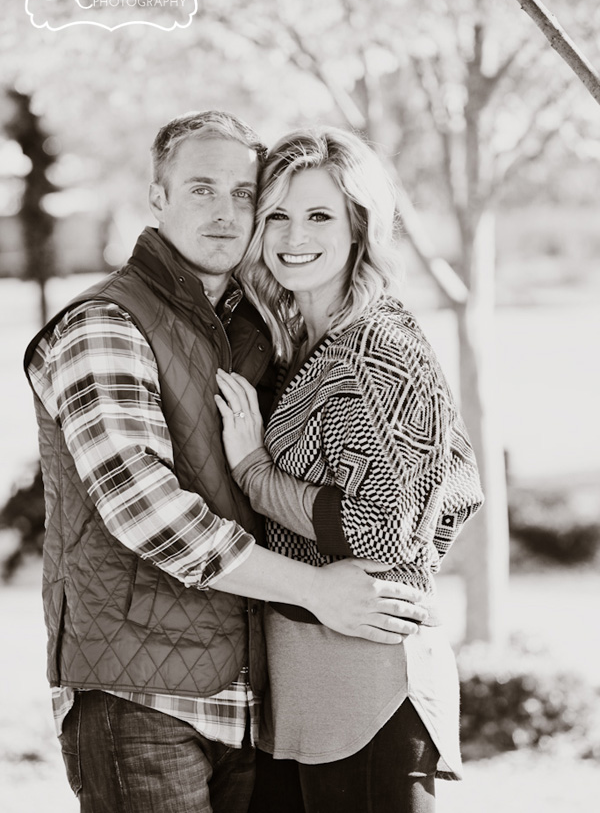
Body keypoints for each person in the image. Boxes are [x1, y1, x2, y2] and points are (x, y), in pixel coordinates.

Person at [23, 112, 428, 813]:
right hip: (137, 698)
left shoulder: (253, 327)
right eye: (202, 189)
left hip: (248, 701)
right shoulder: (103, 324)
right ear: (158, 198)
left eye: (245, 194)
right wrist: (315, 589)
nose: (226, 212)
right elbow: (149, 513)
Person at [214, 126, 485, 813]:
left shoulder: (376, 350)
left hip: (368, 685)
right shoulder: (304, 339)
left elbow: (382, 530)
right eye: (276, 214)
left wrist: (252, 470)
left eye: (318, 215)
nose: (292, 235)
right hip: (307, 683)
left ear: (360, 228)